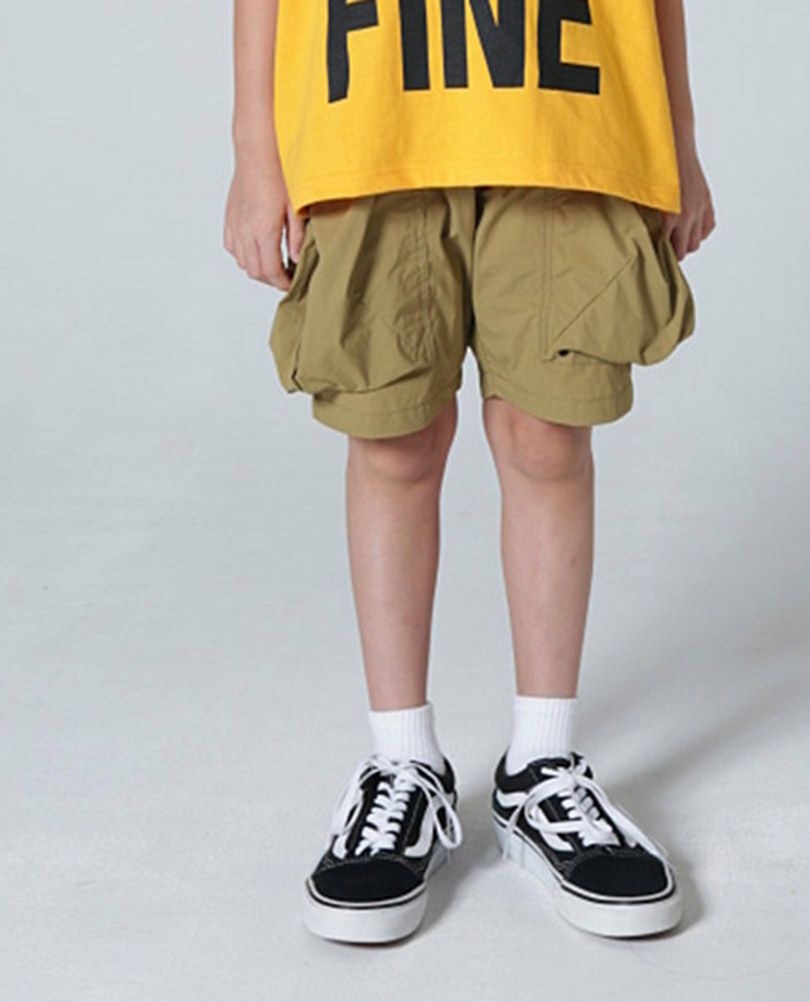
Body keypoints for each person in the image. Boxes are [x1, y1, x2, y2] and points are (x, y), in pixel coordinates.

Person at [224, 0, 715, 944]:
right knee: (394, 438)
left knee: (548, 434)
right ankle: (402, 759)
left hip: (570, 111)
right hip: (371, 113)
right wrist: (256, 149)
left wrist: (677, 140)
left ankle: (542, 765)